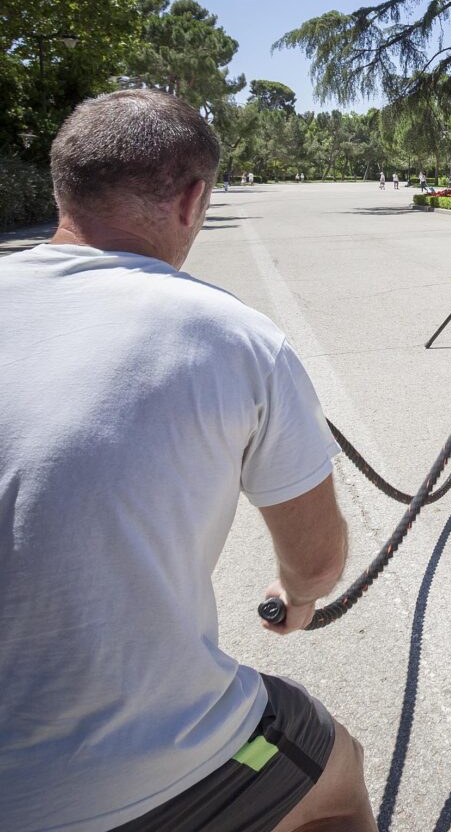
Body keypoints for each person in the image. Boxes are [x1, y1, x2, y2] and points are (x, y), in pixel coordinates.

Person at [0, 90, 376, 831]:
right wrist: (298, 597)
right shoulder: (234, 337)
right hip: (108, 784)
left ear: (62, 186)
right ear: (193, 199)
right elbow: (316, 562)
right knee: (335, 764)